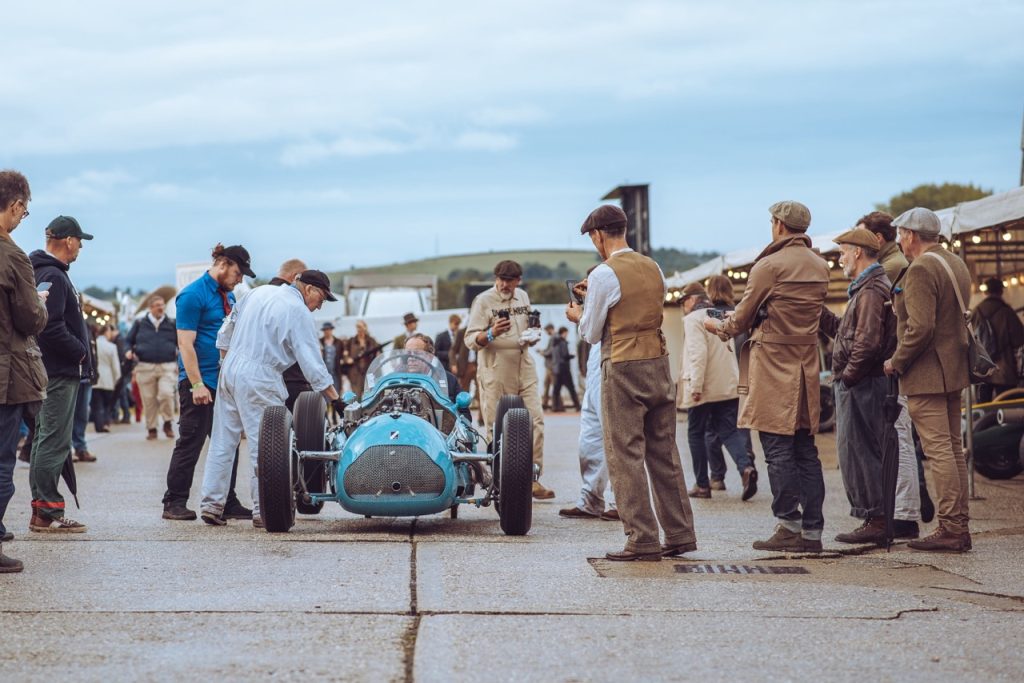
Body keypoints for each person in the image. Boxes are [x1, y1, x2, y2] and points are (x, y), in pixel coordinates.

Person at [567, 204, 696, 561]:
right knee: (664, 452)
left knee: (624, 454)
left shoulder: (604, 274)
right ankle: (680, 532)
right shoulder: (652, 267)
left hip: (623, 365)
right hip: (658, 363)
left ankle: (641, 538)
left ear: (597, 235)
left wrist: (579, 312)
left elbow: (591, 332)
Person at [705, 201, 829, 552]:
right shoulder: (821, 266)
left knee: (777, 450)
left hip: (774, 365)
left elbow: (740, 318)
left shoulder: (769, 266)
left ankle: (788, 525)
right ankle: (813, 531)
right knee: (806, 450)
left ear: (778, 225)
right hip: (806, 365)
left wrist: (719, 326)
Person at [200, 269, 340, 527]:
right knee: (265, 447)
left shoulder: (258, 292)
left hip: (230, 367)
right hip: (261, 374)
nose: (319, 307)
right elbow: (311, 362)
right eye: (321, 299)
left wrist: (226, 363)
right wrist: (334, 398)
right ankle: (262, 509)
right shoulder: (297, 311)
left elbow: (226, 329)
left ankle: (211, 504)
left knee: (222, 440)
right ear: (308, 289)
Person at [884, 207, 973, 552]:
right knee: (953, 450)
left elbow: (921, 328)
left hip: (926, 374)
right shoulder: (955, 263)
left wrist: (896, 361)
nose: (899, 241)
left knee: (939, 452)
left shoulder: (920, 268)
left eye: (900, 234)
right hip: (953, 370)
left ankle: (951, 528)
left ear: (910, 235)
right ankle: (958, 523)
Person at [161, 243, 253, 522]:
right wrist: (197, 384)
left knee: (229, 443)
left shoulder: (230, 298)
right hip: (199, 383)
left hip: (223, 382)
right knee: (191, 441)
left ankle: (227, 500)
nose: (240, 279)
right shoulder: (192, 295)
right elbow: (185, 344)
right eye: (238, 273)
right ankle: (174, 501)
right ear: (223, 264)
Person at [818, 228, 897, 544]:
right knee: (859, 449)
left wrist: (847, 377)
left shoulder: (869, 291)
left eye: (843, 252)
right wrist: (820, 314)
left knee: (859, 450)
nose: (840, 259)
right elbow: (847, 333)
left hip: (862, 383)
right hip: (865, 381)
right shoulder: (867, 288)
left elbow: (866, 342)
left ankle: (875, 519)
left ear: (859, 253)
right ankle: (875, 517)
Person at [859, 210, 930, 534]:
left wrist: (895, 360)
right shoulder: (895, 265)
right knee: (904, 440)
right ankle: (912, 505)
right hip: (897, 365)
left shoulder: (889, 269)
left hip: (895, 368)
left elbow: (912, 325)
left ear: (876, 239)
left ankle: (905, 512)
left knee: (901, 440)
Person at [466, 260, 554, 500]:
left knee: (535, 420)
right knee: (497, 426)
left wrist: (532, 335)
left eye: (510, 280)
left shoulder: (523, 297)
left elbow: (528, 325)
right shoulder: (483, 301)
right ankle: (500, 480)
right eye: (501, 279)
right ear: (495, 278)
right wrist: (492, 332)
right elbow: (470, 339)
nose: (504, 284)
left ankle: (532, 478)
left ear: (519, 281)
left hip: (524, 362)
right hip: (495, 367)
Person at [29, 215, 95, 533]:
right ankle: (46, 509)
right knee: (54, 439)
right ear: (68, 241)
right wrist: (79, 351)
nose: (80, 248)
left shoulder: (42, 271)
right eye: (79, 241)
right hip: (57, 370)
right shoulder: (53, 275)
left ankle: (42, 508)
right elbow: (50, 325)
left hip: (47, 368)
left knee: (45, 437)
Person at [0, 170, 48, 571]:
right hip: (5, 374)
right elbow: (30, 318)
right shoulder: (12, 254)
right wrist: (42, 305)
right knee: (2, 463)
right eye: (23, 212)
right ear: (14, 206)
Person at [679, 281, 758, 500]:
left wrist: (695, 386)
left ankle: (702, 485)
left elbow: (697, 354)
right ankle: (745, 468)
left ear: (693, 299)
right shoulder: (719, 315)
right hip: (727, 385)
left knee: (695, 433)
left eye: (684, 301)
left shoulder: (693, 320)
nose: (683, 306)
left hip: (704, 387)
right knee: (729, 431)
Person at [558, 330, 618, 521]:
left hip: (614, 352)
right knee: (590, 440)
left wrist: (580, 316)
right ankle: (590, 500)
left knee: (616, 437)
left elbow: (591, 328)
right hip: (597, 357)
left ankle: (622, 502)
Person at [703, 273, 755, 490]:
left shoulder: (708, 316)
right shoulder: (740, 316)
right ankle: (748, 465)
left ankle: (717, 477)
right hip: (742, 377)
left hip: (717, 379)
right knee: (740, 426)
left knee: (711, 429)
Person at [126, 295, 178, 440]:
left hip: (167, 366)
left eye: (162, 305)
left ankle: (167, 422)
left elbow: (181, 343)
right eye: (157, 305)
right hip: (145, 366)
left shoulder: (171, 323)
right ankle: (152, 428)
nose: (161, 307)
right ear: (150, 308)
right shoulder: (139, 323)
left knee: (167, 394)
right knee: (148, 400)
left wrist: (180, 359)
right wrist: (128, 350)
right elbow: (128, 341)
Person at [268, 258, 313, 410]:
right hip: (291, 380)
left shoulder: (258, 295)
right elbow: (303, 346)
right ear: (296, 277)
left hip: (262, 379)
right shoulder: (290, 300)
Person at [971, 278, 1024, 403]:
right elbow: (1019, 339)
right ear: (1001, 291)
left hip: (982, 369)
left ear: (986, 292)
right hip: (1004, 370)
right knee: (1006, 410)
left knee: (983, 410)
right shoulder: (1007, 312)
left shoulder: (977, 311)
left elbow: (968, 338)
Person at [405, 333, 472, 421]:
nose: (411, 357)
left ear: (430, 356)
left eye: (417, 353)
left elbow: (465, 416)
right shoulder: (397, 381)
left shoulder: (449, 380)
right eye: (408, 353)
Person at [91, 324, 122, 433]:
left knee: (97, 405)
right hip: (108, 379)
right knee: (107, 405)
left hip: (96, 379)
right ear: (106, 332)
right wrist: (117, 378)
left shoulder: (94, 345)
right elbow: (115, 365)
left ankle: (99, 426)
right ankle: (106, 424)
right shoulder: (111, 347)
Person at [346, 320, 381, 397]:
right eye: (358, 327)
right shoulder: (351, 341)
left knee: (369, 394)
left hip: (369, 371)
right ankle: (357, 408)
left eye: (361, 327)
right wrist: (347, 359)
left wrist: (378, 354)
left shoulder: (372, 341)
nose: (360, 329)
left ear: (365, 328)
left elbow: (379, 353)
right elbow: (345, 354)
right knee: (356, 395)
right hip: (355, 373)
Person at [550, 326, 580, 411]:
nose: (567, 335)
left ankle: (555, 407)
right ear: (563, 332)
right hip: (564, 369)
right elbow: (564, 355)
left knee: (556, 390)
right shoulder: (562, 342)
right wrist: (572, 355)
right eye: (566, 333)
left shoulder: (554, 342)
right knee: (571, 388)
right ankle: (577, 406)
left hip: (556, 369)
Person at [321, 322, 346, 424]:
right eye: (325, 330)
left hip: (335, 373)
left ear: (331, 330)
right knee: (325, 396)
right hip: (324, 372)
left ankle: (335, 418)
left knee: (335, 394)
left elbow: (343, 355)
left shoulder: (338, 342)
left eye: (328, 329)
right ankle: (327, 418)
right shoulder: (320, 342)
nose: (327, 331)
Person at [538, 324, 556, 410]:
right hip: (550, 366)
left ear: (550, 329)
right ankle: (545, 403)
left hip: (551, 367)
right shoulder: (554, 337)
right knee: (548, 385)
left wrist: (543, 353)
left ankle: (555, 404)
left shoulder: (553, 338)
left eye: (546, 331)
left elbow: (550, 352)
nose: (546, 333)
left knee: (553, 385)